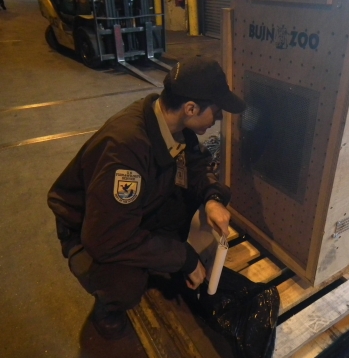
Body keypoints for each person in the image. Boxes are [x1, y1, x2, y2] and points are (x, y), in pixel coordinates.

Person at [47, 56, 246, 340]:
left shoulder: (169, 121)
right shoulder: (125, 151)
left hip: (127, 211)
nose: (217, 121)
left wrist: (212, 198)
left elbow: (196, 163)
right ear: (190, 108)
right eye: (215, 112)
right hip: (87, 228)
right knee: (125, 283)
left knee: (188, 207)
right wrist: (184, 258)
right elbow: (105, 238)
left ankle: (153, 256)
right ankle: (109, 305)